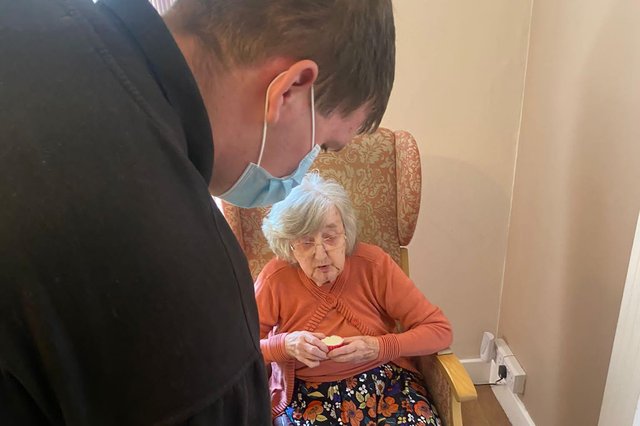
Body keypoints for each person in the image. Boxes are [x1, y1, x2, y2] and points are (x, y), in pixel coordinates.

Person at [0, 0, 395, 424]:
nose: (308, 164)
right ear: (290, 90)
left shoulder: (27, 17)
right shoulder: (191, 298)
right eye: (324, 144)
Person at [257, 174, 453, 426]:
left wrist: (379, 347)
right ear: (288, 245)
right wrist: (285, 345)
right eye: (306, 241)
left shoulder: (374, 264)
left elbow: (439, 331)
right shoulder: (275, 278)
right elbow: (239, 350)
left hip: (387, 382)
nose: (320, 254)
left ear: (346, 234)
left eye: (330, 236)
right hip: (307, 394)